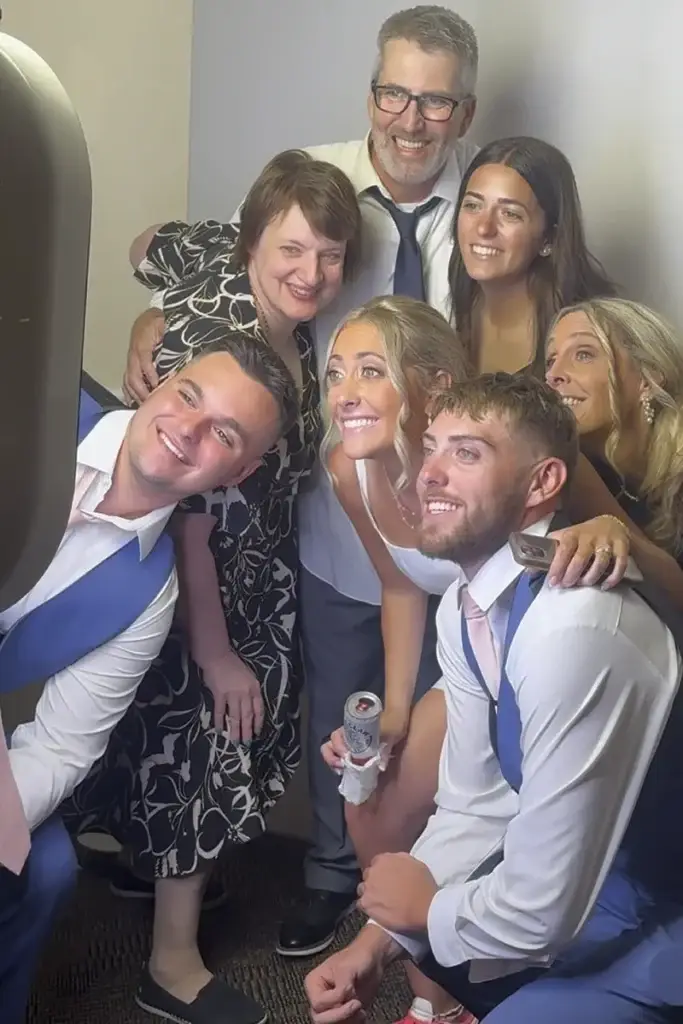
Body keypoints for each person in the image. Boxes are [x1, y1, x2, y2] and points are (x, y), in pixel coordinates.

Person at [122, 5, 481, 960]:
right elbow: (200, 245)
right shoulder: (317, 182)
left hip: (427, 522)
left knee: (437, 715)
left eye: (434, 100)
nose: (409, 118)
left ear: (462, 110)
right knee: (335, 707)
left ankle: (419, 889)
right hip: (314, 517)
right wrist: (154, 320)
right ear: (370, 91)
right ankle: (328, 879)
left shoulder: (479, 214)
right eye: (393, 91)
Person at [64, 149, 361, 1024]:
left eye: (330, 254)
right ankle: (171, 966)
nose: (311, 273)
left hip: (255, 570)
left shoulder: (276, 308)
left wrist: (153, 292)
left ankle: (145, 869)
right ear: (252, 244)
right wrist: (216, 647)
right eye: (291, 250)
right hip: (200, 579)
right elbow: (191, 507)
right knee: (201, 736)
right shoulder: (219, 329)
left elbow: (146, 242)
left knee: (176, 739)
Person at [306, 372, 683, 1024]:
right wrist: (376, 945)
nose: (430, 473)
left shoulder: (575, 627)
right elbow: (475, 807)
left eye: (467, 453)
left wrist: (426, 911)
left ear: (541, 484)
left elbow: (539, 912)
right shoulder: (464, 606)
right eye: (431, 446)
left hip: (662, 915)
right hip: (598, 886)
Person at [0, 338, 297, 1024]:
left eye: (222, 433)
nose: (187, 429)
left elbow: (61, 749)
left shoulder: (147, 595)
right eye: (188, 396)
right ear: (158, 387)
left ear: (239, 471)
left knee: (40, 867)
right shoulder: (30, 414)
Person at [546, 297, 683, 570]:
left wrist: (613, 524)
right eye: (550, 360)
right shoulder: (559, 475)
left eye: (583, 354)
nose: (553, 375)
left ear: (648, 378)